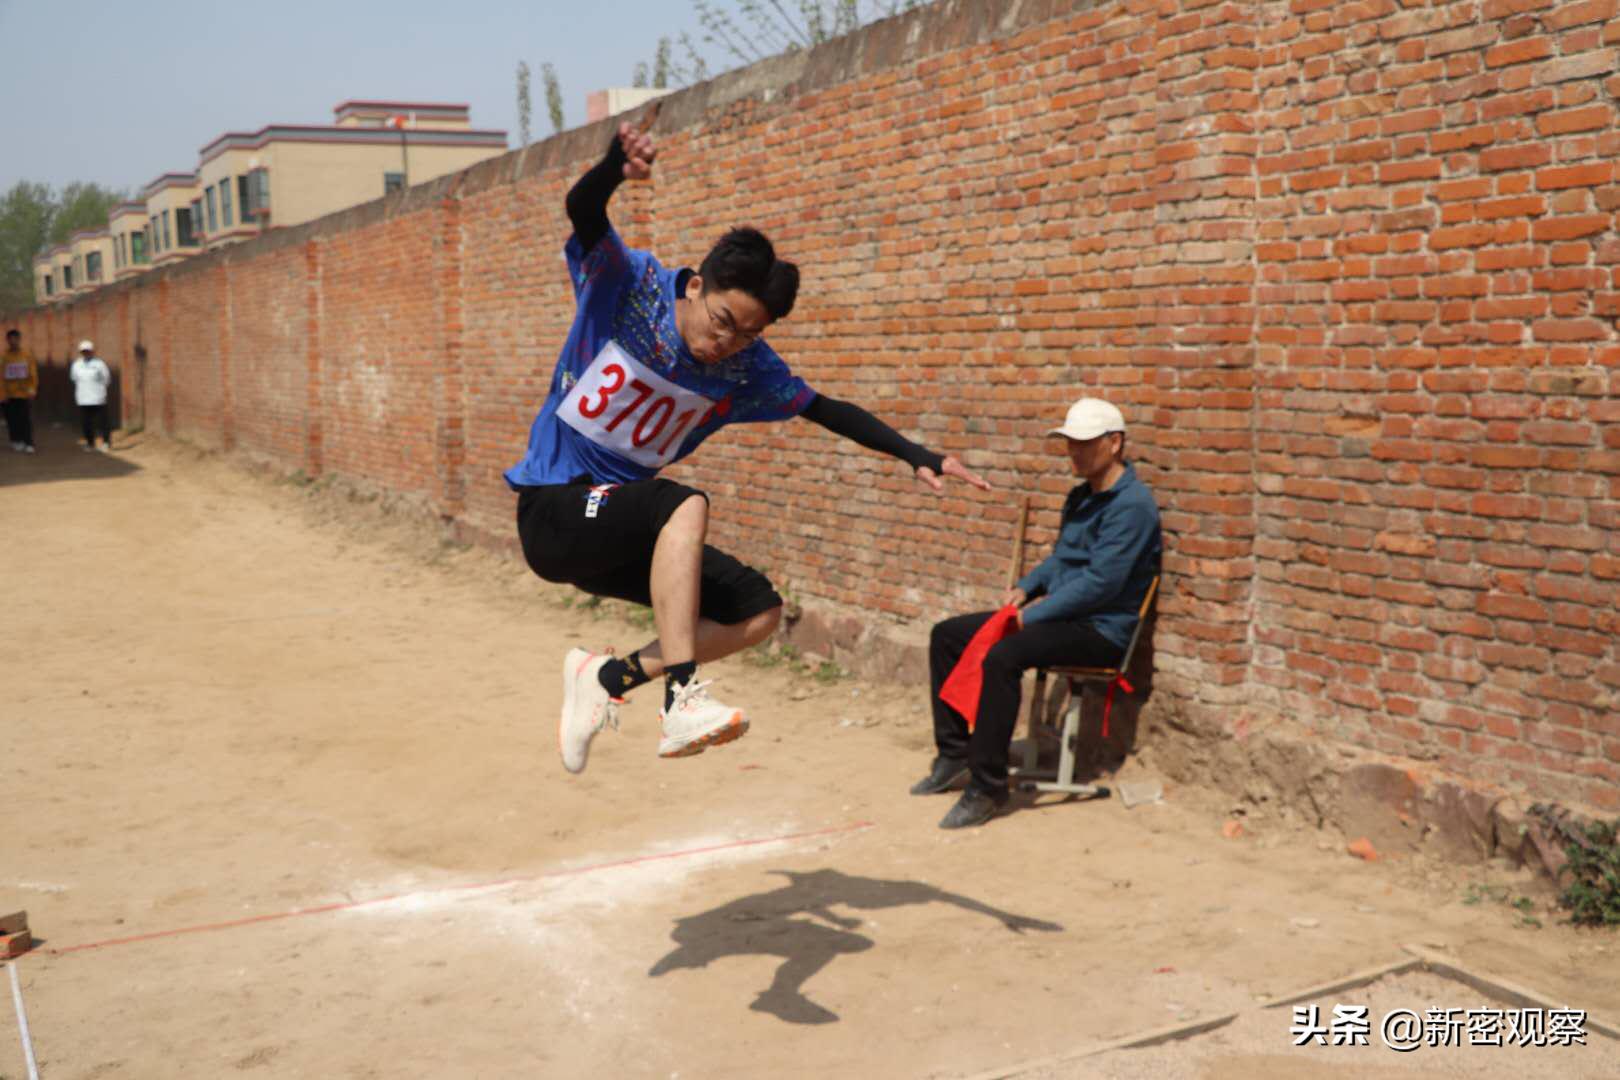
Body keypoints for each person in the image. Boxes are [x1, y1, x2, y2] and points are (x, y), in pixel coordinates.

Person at [507, 114, 990, 774]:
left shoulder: (743, 369)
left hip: (615, 535)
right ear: (697, 285)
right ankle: (680, 703)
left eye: (747, 335)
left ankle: (606, 680)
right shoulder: (631, 287)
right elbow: (582, 208)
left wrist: (917, 454)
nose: (725, 342)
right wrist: (611, 168)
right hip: (553, 510)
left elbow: (824, 408)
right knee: (681, 504)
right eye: (723, 321)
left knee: (757, 610)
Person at [912, 397, 1162, 829]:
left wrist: (1034, 615)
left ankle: (987, 788)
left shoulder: (1132, 506)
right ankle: (954, 755)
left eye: (1084, 443)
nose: (1074, 452)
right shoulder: (1081, 497)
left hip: (1101, 630)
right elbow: (1060, 561)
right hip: (1062, 615)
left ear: (1115, 443)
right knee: (947, 634)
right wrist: (1027, 589)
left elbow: (1101, 584)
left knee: (1004, 655)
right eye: (1070, 443)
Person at [69, 340, 113, 453]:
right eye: (84, 351)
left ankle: (106, 443)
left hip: (98, 398)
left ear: (92, 351)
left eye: (88, 351)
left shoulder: (100, 364)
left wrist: (99, 390)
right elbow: (74, 378)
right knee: (86, 423)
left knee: (103, 422)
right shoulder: (76, 365)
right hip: (83, 399)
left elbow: (107, 379)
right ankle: (90, 443)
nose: (86, 353)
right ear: (81, 352)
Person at [2, 328, 38, 453]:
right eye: (10, 339)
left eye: (15, 339)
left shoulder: (27, 355)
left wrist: (32, 389)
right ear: (7, 340)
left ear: (19, 340)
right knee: (12, 420)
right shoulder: (4, 357)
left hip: (24, 394)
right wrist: (2, 394)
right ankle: (16, 440)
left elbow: (32, 374)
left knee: (25, 419)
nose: (13, 341)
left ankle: (28, 442)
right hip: (9, 394)